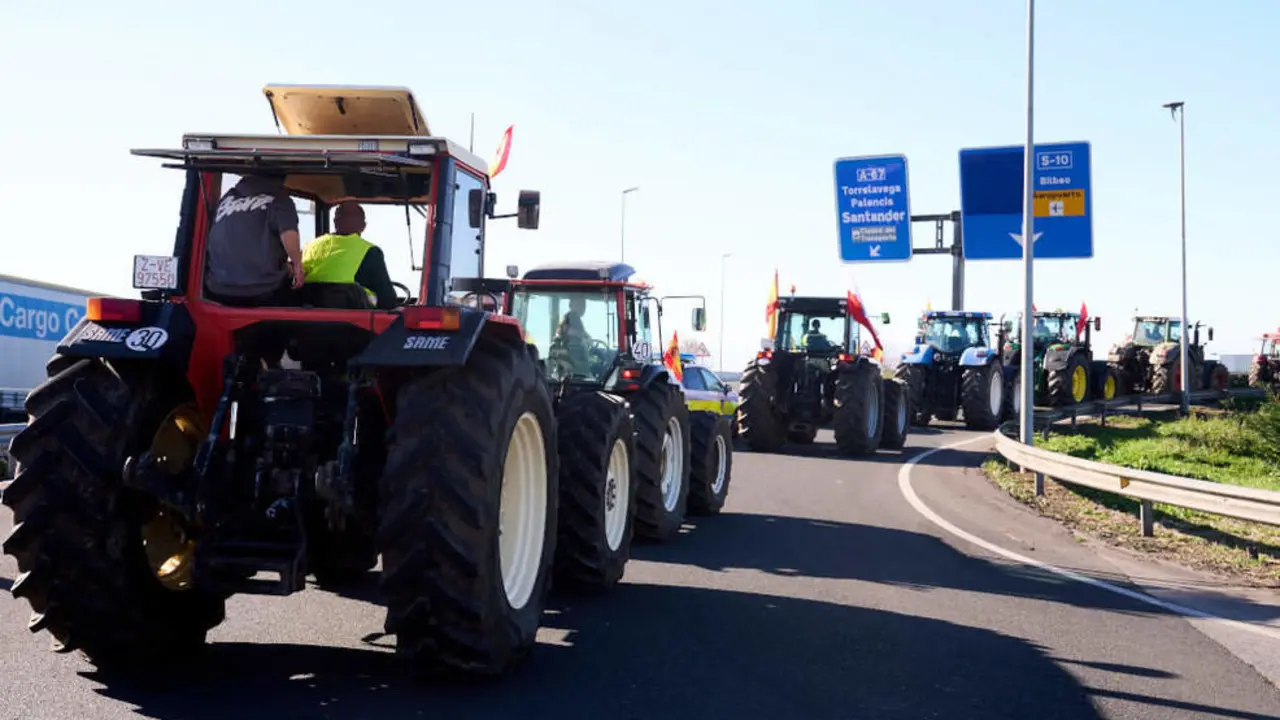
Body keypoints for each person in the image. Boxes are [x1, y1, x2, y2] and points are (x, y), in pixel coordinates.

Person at [204, 172, 304, 306]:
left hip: (217, 289)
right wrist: (297, 265)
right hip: (263, 290)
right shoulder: (280, 199)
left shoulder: (226, 199)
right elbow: (288, 233)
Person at [301, 202, 398, 310]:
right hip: (353, 324)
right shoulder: (370, 252)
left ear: (335, 222)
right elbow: (388, 301)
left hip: (304, 322)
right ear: (363, 226)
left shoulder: (309, 247)